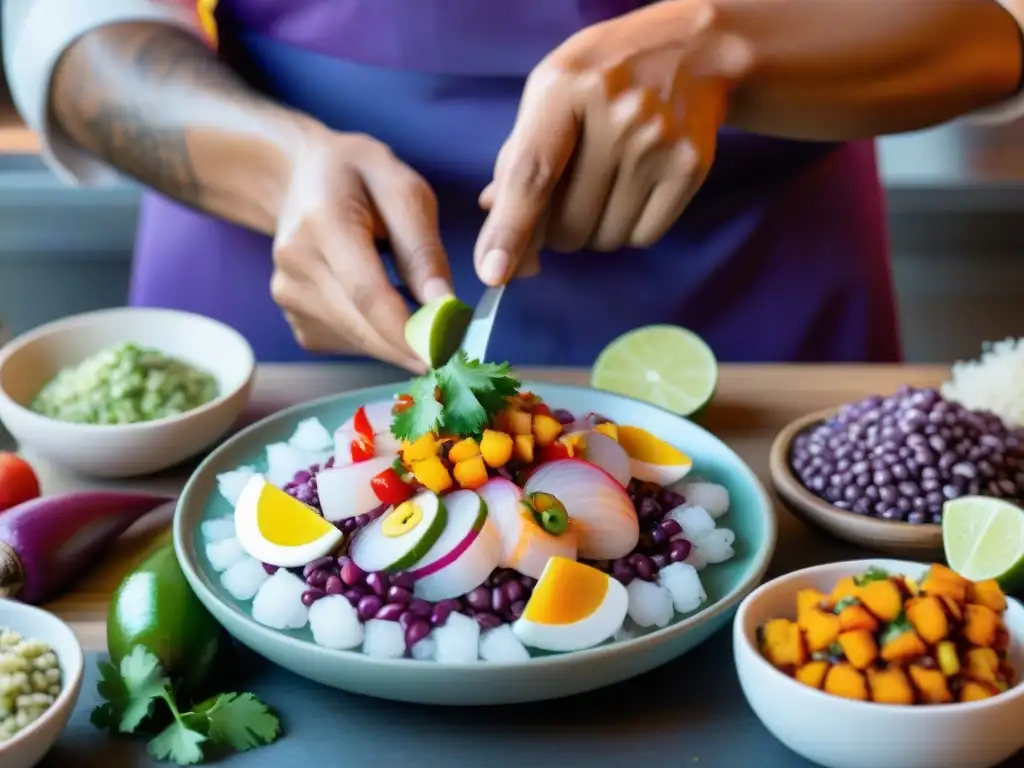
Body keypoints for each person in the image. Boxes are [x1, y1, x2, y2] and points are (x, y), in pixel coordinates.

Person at [4, 0, 1023, 372]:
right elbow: (75, 28)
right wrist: (279, 167)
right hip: (287, 296)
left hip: (753, 310)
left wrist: (732, 43)